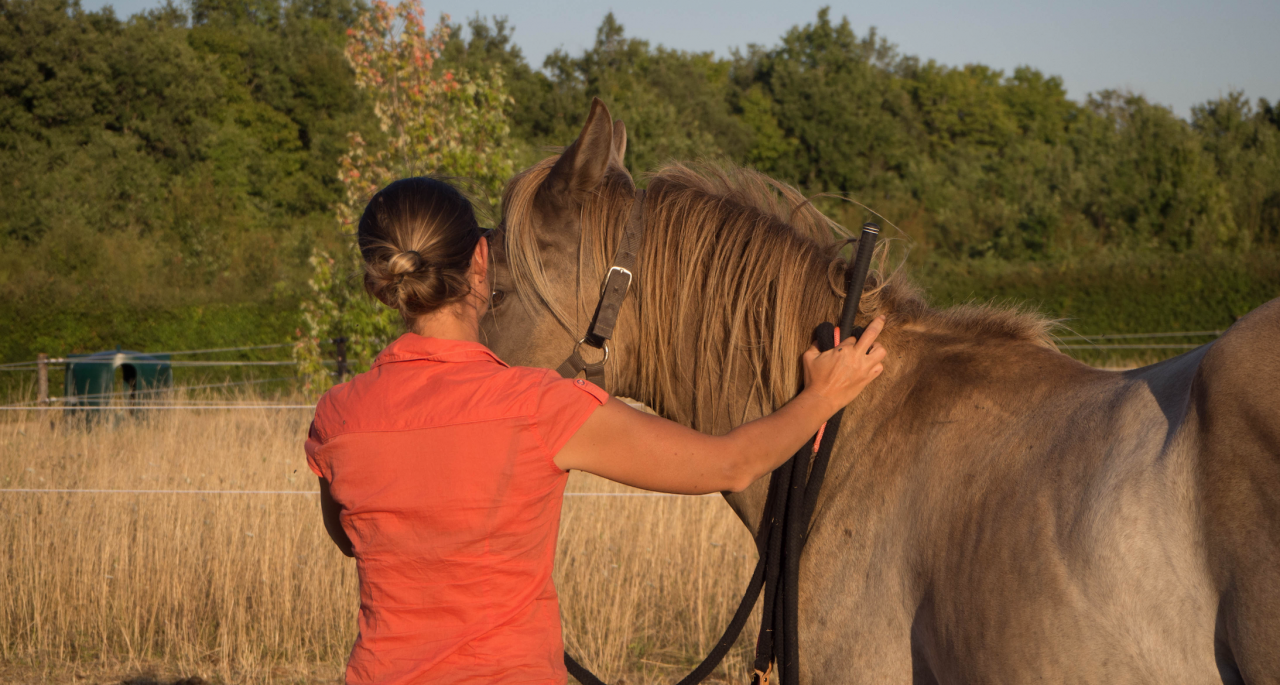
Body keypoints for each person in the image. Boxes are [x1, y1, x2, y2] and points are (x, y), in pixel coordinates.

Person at [304, 177, 888, 685]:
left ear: (381, 278)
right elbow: (729, 464)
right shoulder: (536, 406)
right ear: (481, 260)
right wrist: (823, 396)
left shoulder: (339, 416)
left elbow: (352, 537)